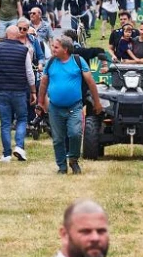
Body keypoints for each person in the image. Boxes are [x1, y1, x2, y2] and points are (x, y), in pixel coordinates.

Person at [38, 36, 99, 176]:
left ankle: (73, 159)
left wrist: (97, 102)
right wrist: (40, 103)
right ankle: (62, 166)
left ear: (65, 49)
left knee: (75, 133)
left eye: (56, 47)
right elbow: (43, 83)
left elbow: (90, 82)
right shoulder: (51, 62)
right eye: (53, 46)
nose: (53, 49)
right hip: (55, 108)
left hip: (74, 106)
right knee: (58, 139)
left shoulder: (78, 61)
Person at [0, 23, 36, 163]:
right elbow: (29, 73)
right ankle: (19, 146)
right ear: (17, 36)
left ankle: (6, 154)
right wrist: (33, 90)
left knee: (5, 122)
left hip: (2, 90)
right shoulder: (23, 50)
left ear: (6, 35)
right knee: (22, 118)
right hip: (19, 90)